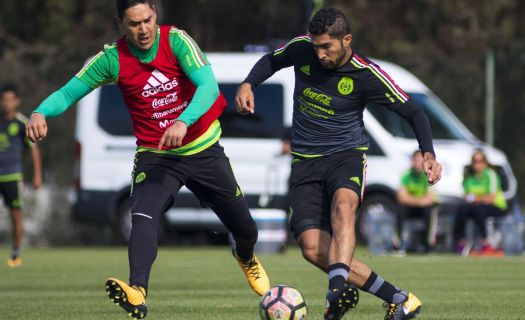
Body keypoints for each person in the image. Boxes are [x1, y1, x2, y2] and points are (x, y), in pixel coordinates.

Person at [25, 0, 269, 318]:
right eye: (134, 23)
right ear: (120, 24)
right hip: (157, 156)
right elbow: (69, 93)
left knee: (245, 228)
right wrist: (40, 111)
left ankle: (246, 256)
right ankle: (137, 292)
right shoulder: (111, 59)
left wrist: (183, 121)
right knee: (142, 214)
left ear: (155, 14)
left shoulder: (177, 41)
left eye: (147, 20)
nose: (143, 30)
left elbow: (208, 87)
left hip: (203, 149)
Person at [235, 8, 442, 320]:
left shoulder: (367, 75)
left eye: (327, 47)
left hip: (346, 155)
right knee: (312, 248)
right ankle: (400, 299)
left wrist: (428, 153)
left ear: (346, 40)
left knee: (344, 207)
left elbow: (415, 113)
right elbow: (271, 61)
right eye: (316, 46)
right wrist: (248, 84)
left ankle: (335, 293)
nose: (319, 54)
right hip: (304, 163)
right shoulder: (302, 47)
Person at [0, 84, 43, 267]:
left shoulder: (22, 123)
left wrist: (37, 175)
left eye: (10, 100)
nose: (7, 103)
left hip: (12, 176)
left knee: (15, 214)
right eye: (4, 100)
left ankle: (16, 251)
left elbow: (34, 150)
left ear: (17, 101)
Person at [453, 149, 506, 256]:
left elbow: (490, 198)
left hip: (496, 206)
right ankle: (462, 243)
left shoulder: (490, 175)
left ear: (485, 162)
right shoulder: (469, 176)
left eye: (480, 161)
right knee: (461, 209)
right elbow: (465, 197)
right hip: (476, 206)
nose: (477, 164)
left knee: (480, 209)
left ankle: (486, 243)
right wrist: (477, 198)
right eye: (475, 161)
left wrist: (474, 198)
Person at [397, 150, 437, 253]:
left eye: (420, 160)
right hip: (410, 207)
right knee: (400, 210)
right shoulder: (406, 175)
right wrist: (420, 201)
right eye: (416, 160)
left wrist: (411, 199)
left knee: (430, 211)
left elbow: (431, 199)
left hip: (423, 208)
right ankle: (399, 243)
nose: (418, 163)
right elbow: (401, 197)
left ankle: (427, 244)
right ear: (412, 161)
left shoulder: (429, 175)